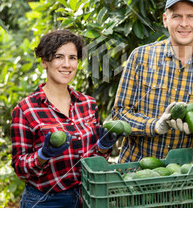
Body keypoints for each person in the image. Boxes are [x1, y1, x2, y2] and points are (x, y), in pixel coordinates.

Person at [112, 0, 193, 162]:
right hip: (135, 171)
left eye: (191, 16)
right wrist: (156, 126)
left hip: (186, 177)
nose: (184, 23)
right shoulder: (140, 57)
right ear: (165, 20)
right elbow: (119, 114)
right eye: (176, 16)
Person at [11, 29, 122, 208]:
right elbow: (20, 167)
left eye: (73, 57)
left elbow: (93, 161)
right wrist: (42, 155)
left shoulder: (88, 104)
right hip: (46, 202)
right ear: (44, 61)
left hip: (88, 197)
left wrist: (103, 147)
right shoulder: (26, 110)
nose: (67, 64)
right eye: (58, 57)